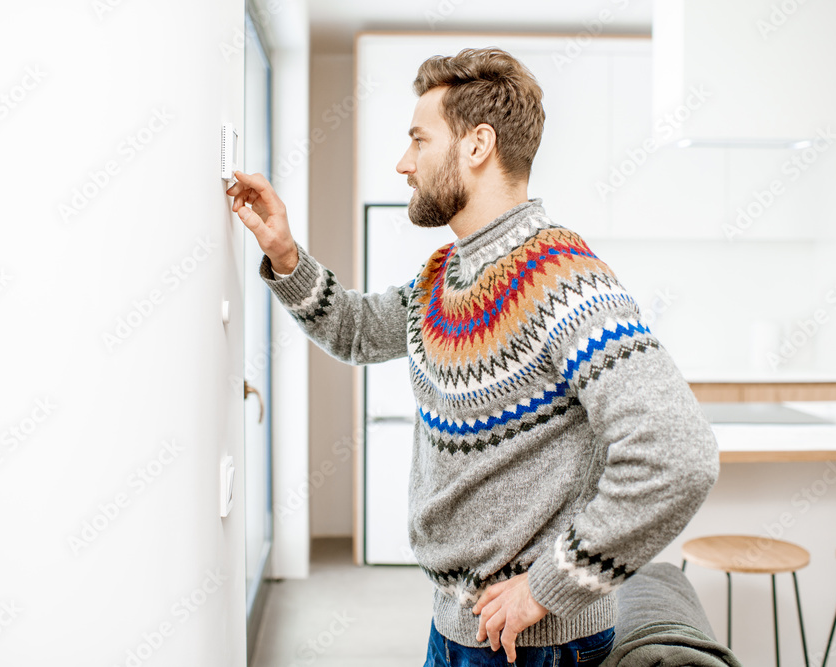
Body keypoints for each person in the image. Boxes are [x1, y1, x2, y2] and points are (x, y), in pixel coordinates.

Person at [227, 46, 719, 667]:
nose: (404, 164)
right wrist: (286, 254)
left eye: (418, 141)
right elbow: (355, 330)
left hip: (534, 644)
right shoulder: (446, 274)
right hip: (459, 625)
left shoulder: (563, 281)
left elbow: (679, 454)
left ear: (477, 145)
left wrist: (547, 588)